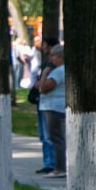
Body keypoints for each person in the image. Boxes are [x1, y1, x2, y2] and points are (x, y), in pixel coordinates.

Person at [36, 44, 67, 178]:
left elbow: (43, 88)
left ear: (60, 57)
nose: (51, 58)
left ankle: (59, 168)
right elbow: (37, 86)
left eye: (53, 55)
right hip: (52, 106)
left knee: (56, 138)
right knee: (56, 137)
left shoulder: (58, 71)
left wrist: (44, 73)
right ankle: (59, 167)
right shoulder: (59, 71)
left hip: (53, 107)